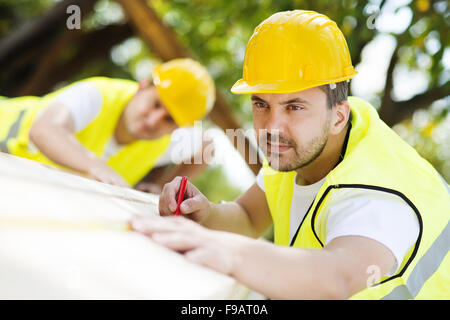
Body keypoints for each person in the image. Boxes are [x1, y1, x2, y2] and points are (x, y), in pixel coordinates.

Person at [131, 10, 450, 299]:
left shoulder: (379, 191)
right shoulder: (305, 146)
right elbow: (248, 216)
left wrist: (230, 253)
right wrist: (205, 214)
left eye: (294, 107)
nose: (272, 127)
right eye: (261, 104)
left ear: (338, 116)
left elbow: (338, 278)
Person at [0, 58, 215, 190]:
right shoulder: (97, 94)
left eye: (169, 119)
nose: (152, 120)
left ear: (179, 127)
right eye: (155, 104)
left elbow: (207, 146)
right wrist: (95, 166)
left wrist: (163, 187)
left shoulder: (170, 141)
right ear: (143, 86)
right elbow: (45, 130)